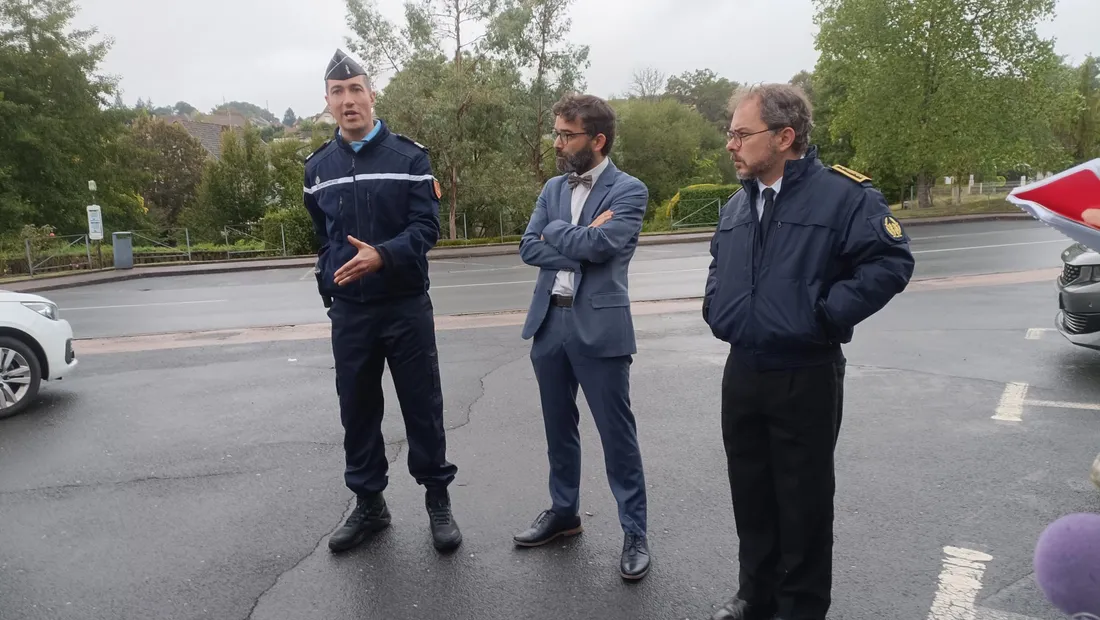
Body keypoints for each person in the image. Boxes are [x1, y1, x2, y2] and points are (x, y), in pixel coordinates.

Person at [702, 84, 915, 620]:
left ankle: (800, 607)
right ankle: (756, 594)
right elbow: (719, 265)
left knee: (803, 501)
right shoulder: (739, 203)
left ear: (784, 137)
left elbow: (890, 263)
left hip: (805, 370)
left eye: (741, 134)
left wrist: (823, 316)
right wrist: (716, 306)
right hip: (743, 369)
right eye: (731, 133)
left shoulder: (843, 197)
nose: (731, 144)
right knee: (750, 492)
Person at [303, 49, 461, 554]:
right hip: (350, 311)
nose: (348, 100)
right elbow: (324, 235)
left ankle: (437, 499)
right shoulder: (317, 167)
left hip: (404, 305)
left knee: (422, 404)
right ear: (327, 102)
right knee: (357, 408)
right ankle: (370, 504)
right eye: (338, 92)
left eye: (356, 90)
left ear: (372, 96)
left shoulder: (409, 158)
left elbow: (426, 228)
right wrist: (330, 281)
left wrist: (382, 256)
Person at [514, 93, 652, 581]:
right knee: (559, 428)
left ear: (597, 140)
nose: (557, 143)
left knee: (617, 435)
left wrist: (556, 234)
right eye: (556, 133)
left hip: (600, 327)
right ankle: (564, 513)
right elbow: (528, 248)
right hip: (549, 323)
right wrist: (575, 240)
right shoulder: (553, 188)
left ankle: (634, 532)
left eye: (566, 135)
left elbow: (606, 243)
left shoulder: (629, 190)